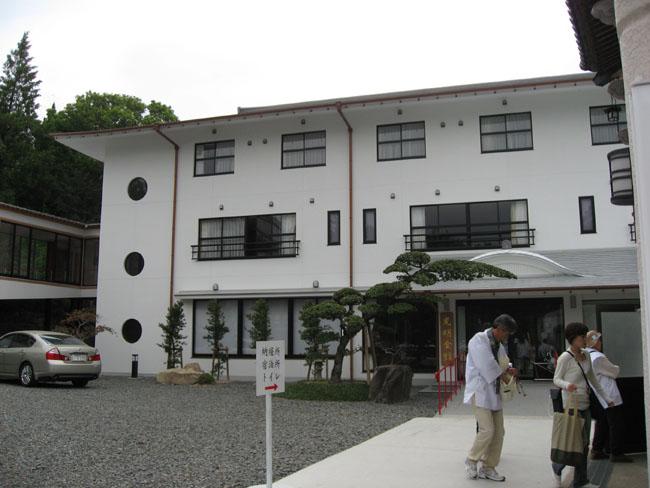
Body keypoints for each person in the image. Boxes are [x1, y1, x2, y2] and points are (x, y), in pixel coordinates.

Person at [552, 323, 614, 488]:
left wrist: (607, 398)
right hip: (571, 406)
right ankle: (558, 467)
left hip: (585, 405)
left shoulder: (586, 355)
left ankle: (580, 481)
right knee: (572, 443)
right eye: (581, 337)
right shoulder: (565, 357)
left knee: (584, 445)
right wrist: (567, 385)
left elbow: (592, 379)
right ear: (573, 339)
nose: (584, 340)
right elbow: (556, 379)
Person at [463, 314, 518, 482]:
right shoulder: (478, 340)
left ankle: (488, 467)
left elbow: (502, 362)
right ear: (499, 329)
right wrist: (504, 374)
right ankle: (471, 460)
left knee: (499, 432)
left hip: (494, 392)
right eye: (506, 333)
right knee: (487, 430)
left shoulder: (498, 344)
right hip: (480, 391)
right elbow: (486, 365)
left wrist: (509, 369)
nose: (507, 336)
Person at [585, 330, 633, 463]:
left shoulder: (586, 356)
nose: (600, 343)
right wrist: (616, 367)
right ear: (595, 342)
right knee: (616, 424)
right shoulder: (598, 357)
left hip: (597, 394)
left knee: (602, 423)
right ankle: (616, 452)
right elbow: (614, 371)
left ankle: (596, 449)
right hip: (608, 394)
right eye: (599, 340)